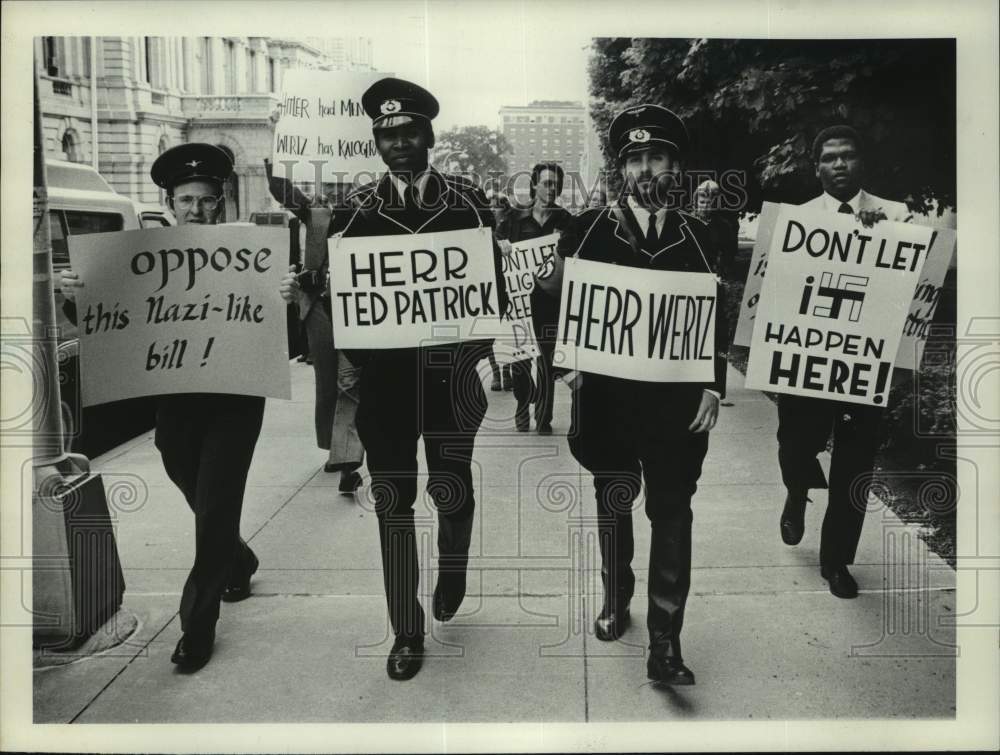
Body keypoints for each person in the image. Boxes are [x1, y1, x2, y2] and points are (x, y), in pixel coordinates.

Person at [280, 77, 506, 681]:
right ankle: (406, 629)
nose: (399, 142)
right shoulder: (355, 211)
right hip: (385, 384)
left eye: (409, 132)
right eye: (387, 134)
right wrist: (307, 291)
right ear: (376, 143)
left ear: (428, 136)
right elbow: (340, 295)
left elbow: (491, 288)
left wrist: (487, 351)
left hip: (452, 378)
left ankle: (452, 566)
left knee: (453, 489)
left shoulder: (467, 202)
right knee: (393, 504)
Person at [60, 143, 265, 671]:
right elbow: (110, 318)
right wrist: (75, 295)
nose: (197, 209)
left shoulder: (246, 252)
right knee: (187, 477)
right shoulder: (143, 256)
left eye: (206, 200)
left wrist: (286, 293)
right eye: (186, 200)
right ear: (170, 203)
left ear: (221, 203)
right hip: (176, 399)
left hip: (235, 397)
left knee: (216, 504)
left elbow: (273, 324)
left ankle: (198, 625)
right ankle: (238, 557)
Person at [558, 105, 728, 686]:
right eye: (635, 159)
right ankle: (617, 595)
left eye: (657, 157)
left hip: (674, 402)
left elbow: (714, 314)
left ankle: (665, 641)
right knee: (614, 500)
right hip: (608, 400)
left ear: (674, 167)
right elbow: (559, 302)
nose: (645, 168)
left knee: (672, 509)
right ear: (622, 168)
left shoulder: (699, 236)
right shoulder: (588, 230)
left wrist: (713, 384)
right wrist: (567, 363)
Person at [776, 125, 908, 599]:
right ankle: (797, 491)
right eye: (829, 157)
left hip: (863, 362)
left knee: (854, 464)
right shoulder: (798, 222)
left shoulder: (896, 216)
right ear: (817, 168)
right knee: (795, 446)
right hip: (809, 359)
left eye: (847, 155)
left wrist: (882, 236)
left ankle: (836, 561)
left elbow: (912, 288)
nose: (839, 164)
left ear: (861, 162)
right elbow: (779, 293)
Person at [496, 162, 573, 433]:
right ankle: (522, 402)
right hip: (519, 303)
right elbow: (495, 245)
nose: (552, 188)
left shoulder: (566, 221)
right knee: (520, 362)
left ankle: (544, 417)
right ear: (534, 185)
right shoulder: (514, 218)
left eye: (556, 184)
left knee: (547, 361)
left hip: (550, 302)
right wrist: (500, 244)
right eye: (546, 183)